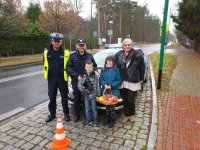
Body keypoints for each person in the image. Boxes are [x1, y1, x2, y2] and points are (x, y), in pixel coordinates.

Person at [66, 39, 97, 122]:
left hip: (87, 81)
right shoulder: (72, 56)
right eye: (80, 45)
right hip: (76, 81)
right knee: (76, 98)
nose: (81, 47)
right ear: (77, 46)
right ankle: (77, 115)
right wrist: (76, 76)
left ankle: (86, 115)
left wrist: (94, 71)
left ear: (85, 46)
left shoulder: (89, 56)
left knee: (86, 98)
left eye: (83, 45)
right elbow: (68, 68)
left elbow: (94, 66)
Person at [115, 38, 145, 123]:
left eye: (129, 45)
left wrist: (142, 79)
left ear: (132, 45)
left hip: (133, 80)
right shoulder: (118, 54)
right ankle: (127, 115)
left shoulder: (137, 55)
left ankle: (132, 114)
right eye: (125, 45)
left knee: (130, 99)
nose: (127, 46)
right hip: (122, 80)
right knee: (124, 99)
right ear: (123, 46)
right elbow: (113, 64)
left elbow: (141, 67)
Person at [43, 33, 70, 123]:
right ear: (52, 42)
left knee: (64, 97)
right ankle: (52, 114)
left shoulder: (65, 52)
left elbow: (69, 65)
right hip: (51, 78)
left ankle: (66, 113)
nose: (57, 43)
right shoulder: (47, 52)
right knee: (52, 96)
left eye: (58, 41)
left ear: (61, 42)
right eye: (55, 41)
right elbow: (44, 63)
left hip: (62, 78)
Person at [100, 56, 122, 128]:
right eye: (108, 61)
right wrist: (104, 84)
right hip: (106, 90)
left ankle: (112, 119)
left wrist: (112, 86)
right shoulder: (103, 70)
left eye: (111, 61)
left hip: (114, 90)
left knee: (112, 105)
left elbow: (119, 80)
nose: (109, 62)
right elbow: (101, 79)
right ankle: (107, 118)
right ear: (106, 62)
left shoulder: (116, 70)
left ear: (113, 62)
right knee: (106, 105)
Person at [78, 60, 101, 126]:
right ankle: (88, 120)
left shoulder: (95, 75)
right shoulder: (83, 75)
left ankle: (95, 120)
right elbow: (79, 85)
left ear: (93, 67)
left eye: (90, 67)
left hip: (93, 94)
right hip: (86, 94)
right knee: (87, 108)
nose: (88, 69)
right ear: (85, 67)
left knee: (94, 108)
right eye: (87, 67)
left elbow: (97, 85)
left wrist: (98, 94)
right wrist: (84, 90)